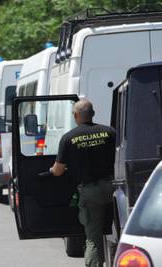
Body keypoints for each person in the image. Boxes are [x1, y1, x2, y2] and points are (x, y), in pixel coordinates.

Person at [49, 99, 116, 267]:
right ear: (93, 114)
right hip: (115, 188)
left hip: (91, 193)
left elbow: (58, 171)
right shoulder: (110, 132)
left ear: (75, 115)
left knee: (93, 238)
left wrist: (51, 170)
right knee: (119, 229)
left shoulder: (68, 138)